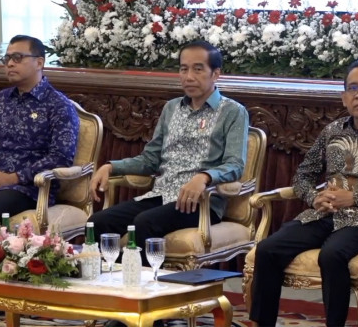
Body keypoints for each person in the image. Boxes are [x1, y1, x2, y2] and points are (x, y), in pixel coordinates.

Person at [249, 59, 358, 327]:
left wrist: (356, 197)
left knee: (332, 255)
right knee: (268, 249)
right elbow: (303, 175)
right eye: (353, 88)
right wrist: (314, 197)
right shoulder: (332, 131)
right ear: (344, 97)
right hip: (324, 214)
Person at [88, 40, 248, 263]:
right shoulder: (171, 108)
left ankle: (142, 283)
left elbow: (235, 165)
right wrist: (111, 166)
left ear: (215, 74)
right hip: (161, 195)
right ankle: (106, 280)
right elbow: (150, 160)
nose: (189, 76)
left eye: (198, 69)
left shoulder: (233, 111)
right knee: (98, 222)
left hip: (199, 203)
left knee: (145, 223)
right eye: (183, 69)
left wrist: (204, 177)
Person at [0, 34, 79, 320]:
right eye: (7, 58)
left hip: (28, 188)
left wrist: (12, 178)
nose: (10, 64)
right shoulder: (0, 100)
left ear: (39, 62)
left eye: (18, 58)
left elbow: (60, 157)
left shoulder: (58, 105)